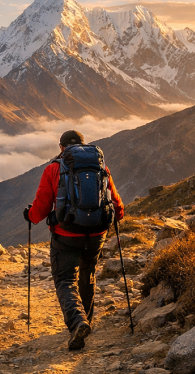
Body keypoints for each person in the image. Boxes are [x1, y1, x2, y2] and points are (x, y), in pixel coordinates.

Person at [24, 130, 124, 350]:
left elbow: (41, 207)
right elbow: (117, 204)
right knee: (87, 275)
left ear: (62, 148)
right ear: (82, 145)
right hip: (97, 234)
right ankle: (85, 320)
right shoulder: (100, 168)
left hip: (66, 235)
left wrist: (29, 215)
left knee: (65, 280)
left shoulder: (53, 169)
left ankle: (78, 322)